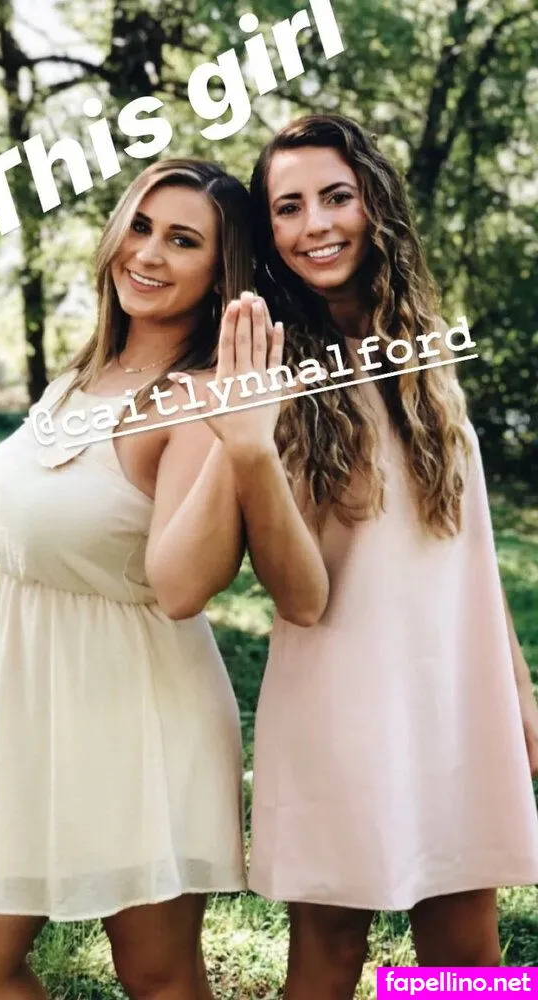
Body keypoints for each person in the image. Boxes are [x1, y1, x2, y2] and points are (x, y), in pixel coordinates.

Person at [0, 158, 254, 1000]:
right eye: (139, 226)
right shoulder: (84, 373)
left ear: (220, 273)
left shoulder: (199, 402)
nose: (147, 252)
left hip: (141, 717)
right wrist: (4, 663)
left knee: (156, 976)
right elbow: (33, 547)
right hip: (43, 709)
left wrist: (237, 431)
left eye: (182, 240)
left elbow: (182, 588)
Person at [241, 114, 538, 996]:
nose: (316, 224)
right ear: (267, 231)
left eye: (336, 196)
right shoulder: (269, 368)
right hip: (339, 698)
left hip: (454, 694)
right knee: (331, 951)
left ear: (374, 202)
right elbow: (292, 587)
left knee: (469, 959)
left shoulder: (424, 347)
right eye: (288, 207)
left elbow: (466, 548)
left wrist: (517, 691)